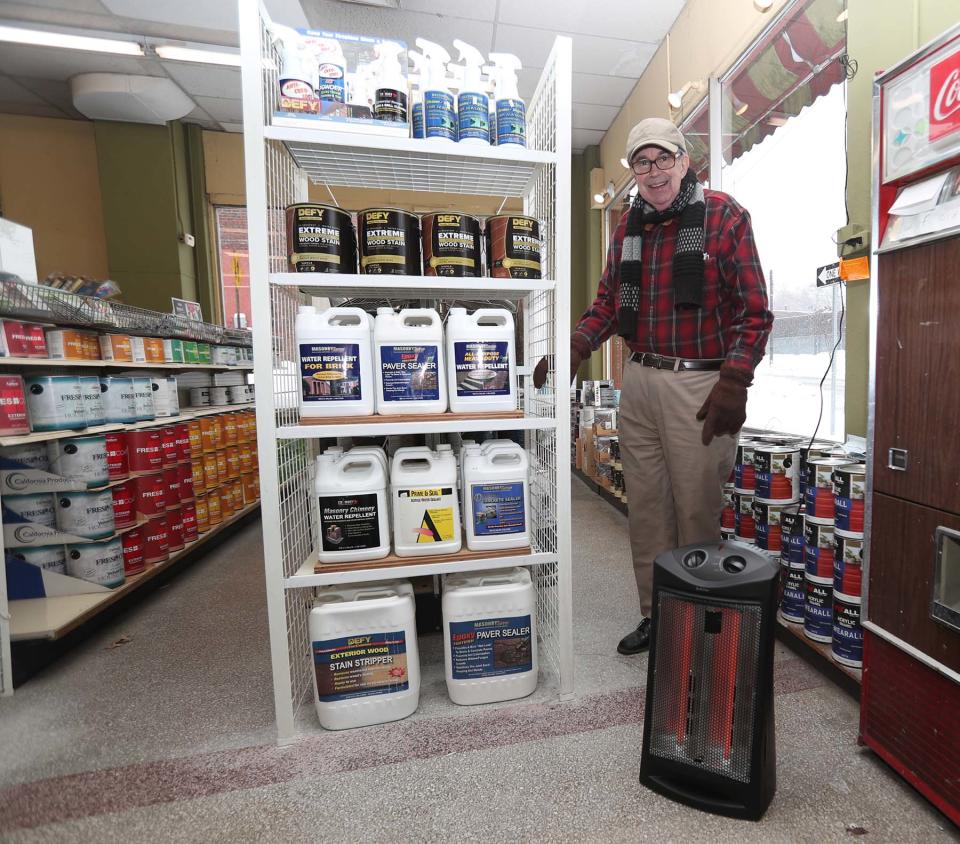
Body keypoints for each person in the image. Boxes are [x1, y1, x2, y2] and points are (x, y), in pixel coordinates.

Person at [535, 117, 772, 655]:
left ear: (684, 161)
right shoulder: (628, 229)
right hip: (637, 381)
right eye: (642, 162)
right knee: (646, 511)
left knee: (695, 510)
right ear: (633, 173)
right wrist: (576, 346)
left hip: (699, 386)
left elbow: (754, 312)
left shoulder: (723, 216)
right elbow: (608, 307)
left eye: (663, 158)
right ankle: (657, 616)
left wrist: (734, 381)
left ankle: (704, 624)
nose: (654, 171)